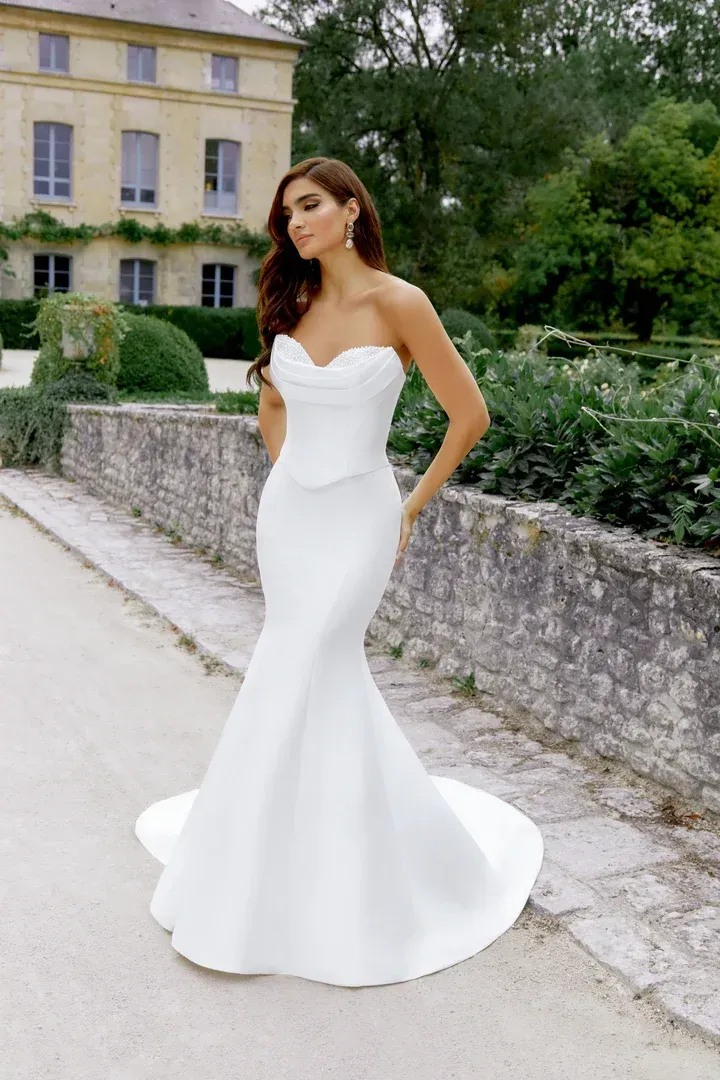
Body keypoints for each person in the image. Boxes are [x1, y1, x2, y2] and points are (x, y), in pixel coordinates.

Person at [135, 157, 544, 986]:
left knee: (321, 654)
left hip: (362, 516)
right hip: (290, 518)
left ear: (352, 209)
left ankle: (354, 870)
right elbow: (273, 406)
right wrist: (290, 479)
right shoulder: (294, 302)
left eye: (311, 205)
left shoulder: (401, 304)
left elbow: (469, 415)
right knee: (293, 665)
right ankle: (264, 859)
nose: (296, 223)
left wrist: (408, 506)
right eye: (287, 213)